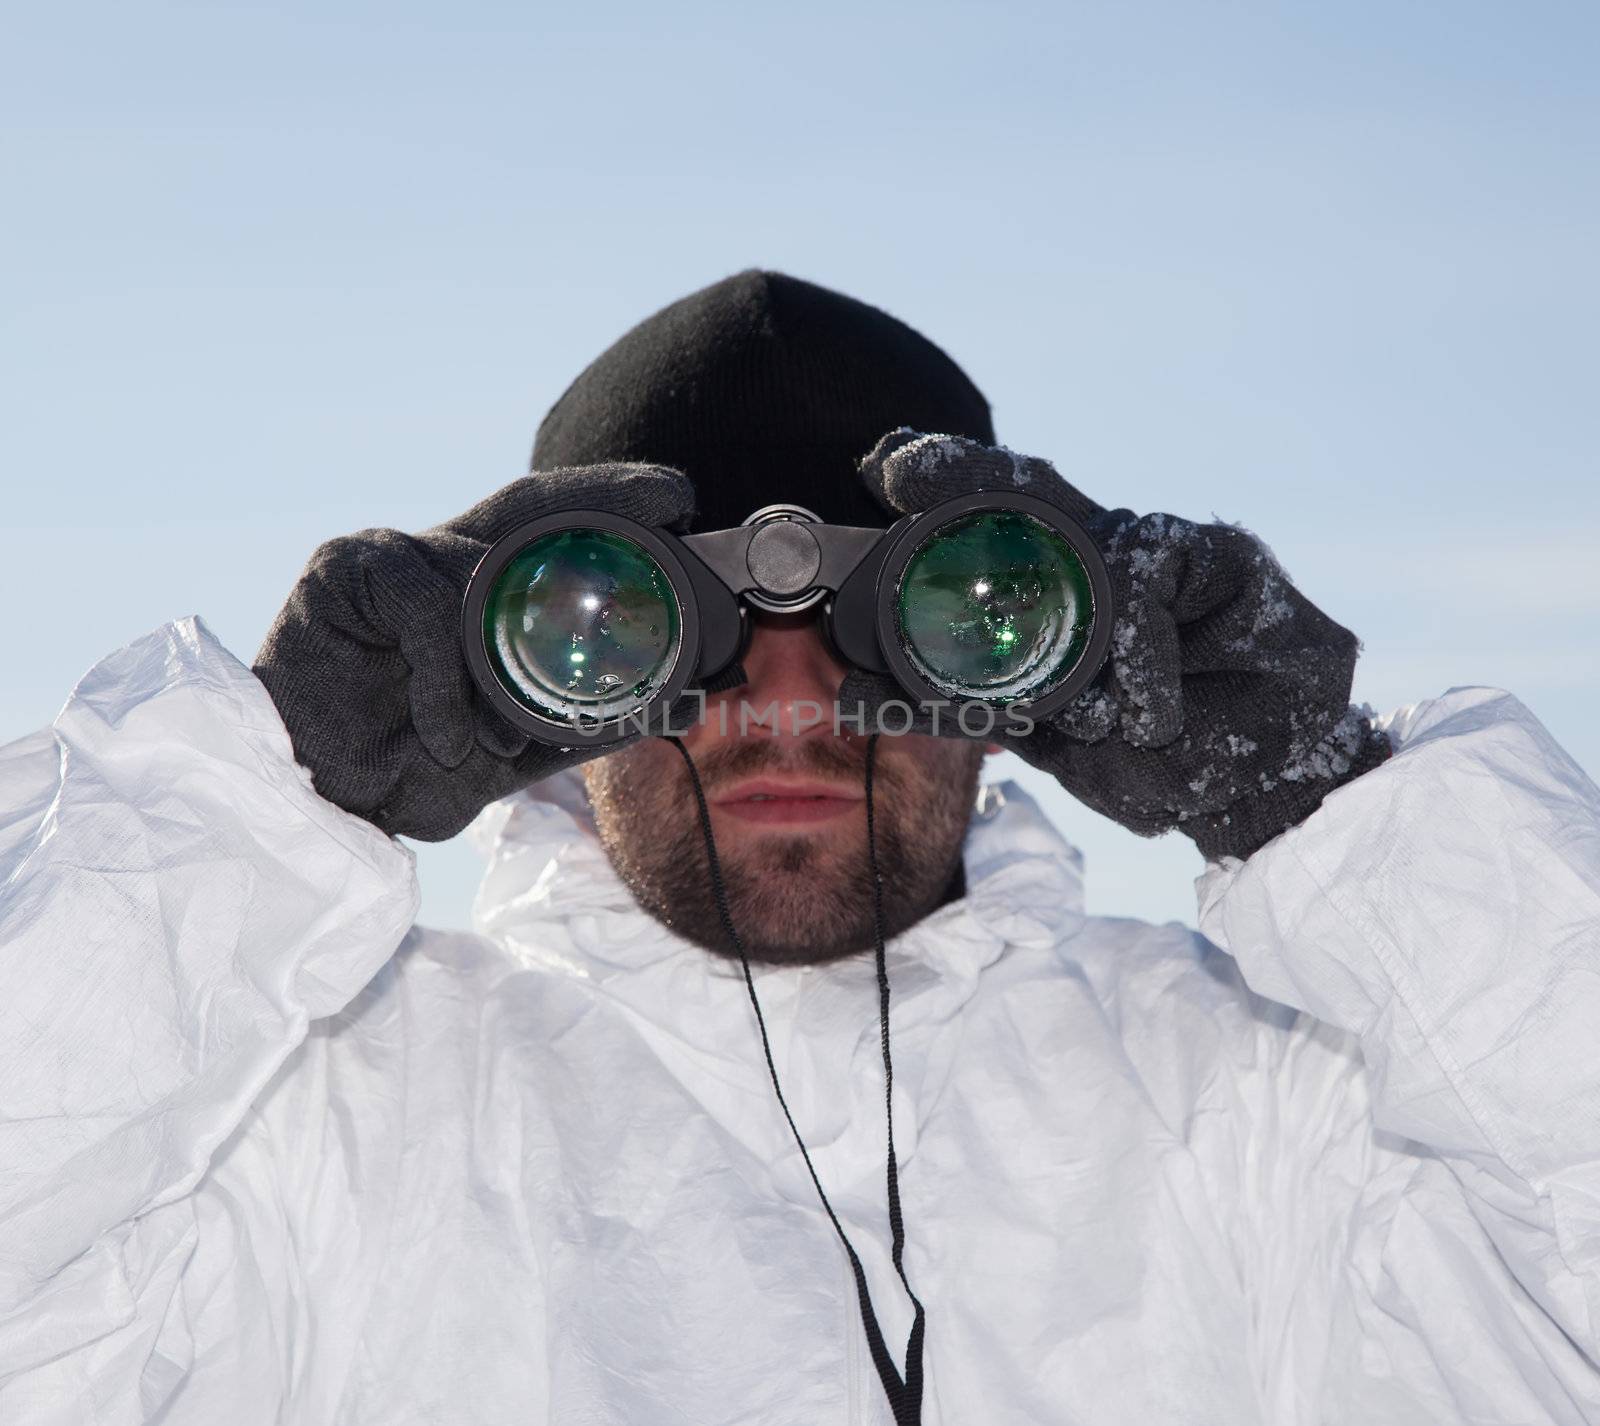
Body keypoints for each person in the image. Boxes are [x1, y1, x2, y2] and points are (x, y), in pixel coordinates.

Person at [1, 270, 1597, 1426]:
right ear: (537, 685)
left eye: (890, 624)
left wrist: (1359, 823)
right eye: (647, 629)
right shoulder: (320, 1126)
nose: (783, 699)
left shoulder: (1266, 1108)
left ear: (1017, 670)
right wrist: (235, 812)